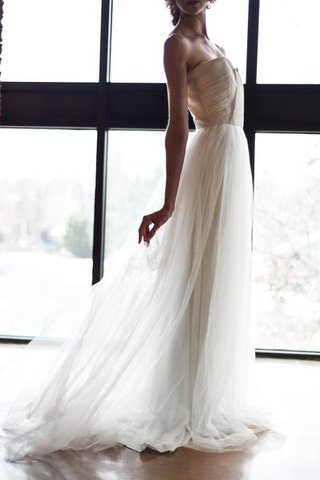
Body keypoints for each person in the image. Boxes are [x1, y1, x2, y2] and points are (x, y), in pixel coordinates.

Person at [0, 0, 276, 461]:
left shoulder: (214, 44)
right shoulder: (177, 45)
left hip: (232, 168)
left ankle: (208, 396)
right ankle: (183, 400)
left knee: (217, 282)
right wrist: (169, 201)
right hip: (208, 168)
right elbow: (176, 126)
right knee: (194, 278)